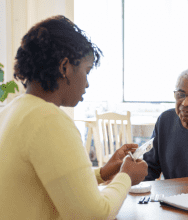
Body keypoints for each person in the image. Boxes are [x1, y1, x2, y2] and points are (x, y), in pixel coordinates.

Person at [0, 15, 148, 219]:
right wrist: (126, 177)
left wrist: (103, 173)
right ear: (65, 67)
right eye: (86, 71)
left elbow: (50, 184)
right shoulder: (49, 119)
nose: (87, 84)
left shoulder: (11, 110)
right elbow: (95, 215)